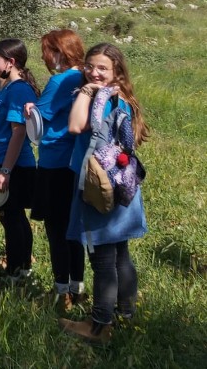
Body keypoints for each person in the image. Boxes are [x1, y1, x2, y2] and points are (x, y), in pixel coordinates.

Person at [60, 43, 149, 344]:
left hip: (100, 188)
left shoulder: (99, 97)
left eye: (102, 68)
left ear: (116, 72)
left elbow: (75, 126)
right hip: (122, 184)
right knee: (120, 254)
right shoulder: (121, 97)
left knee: (101, 258)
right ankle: (126, 314)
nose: (93, 72)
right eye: (89, 66)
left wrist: (85, 92)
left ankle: (99, 325)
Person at [26, 30, 86, 312]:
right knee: (73, 229)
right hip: (75, 161)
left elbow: (39, 117)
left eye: (47, 50)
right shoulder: (84, 77)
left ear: (60, 51)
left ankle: (61, 291)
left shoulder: (61, 80)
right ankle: (78, 287)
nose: (43, 56)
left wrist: (30, 108)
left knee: (56, 229)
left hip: (54, 160)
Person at [0, 38, 39, 283]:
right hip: (0, 161)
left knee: (12, 216)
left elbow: (18, 132)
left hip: (14, 165)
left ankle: (16, 270)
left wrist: (5, 169)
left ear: (11, 63)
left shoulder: (19, 90)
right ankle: (21, 266)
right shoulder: (4, 89)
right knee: (9, 216)